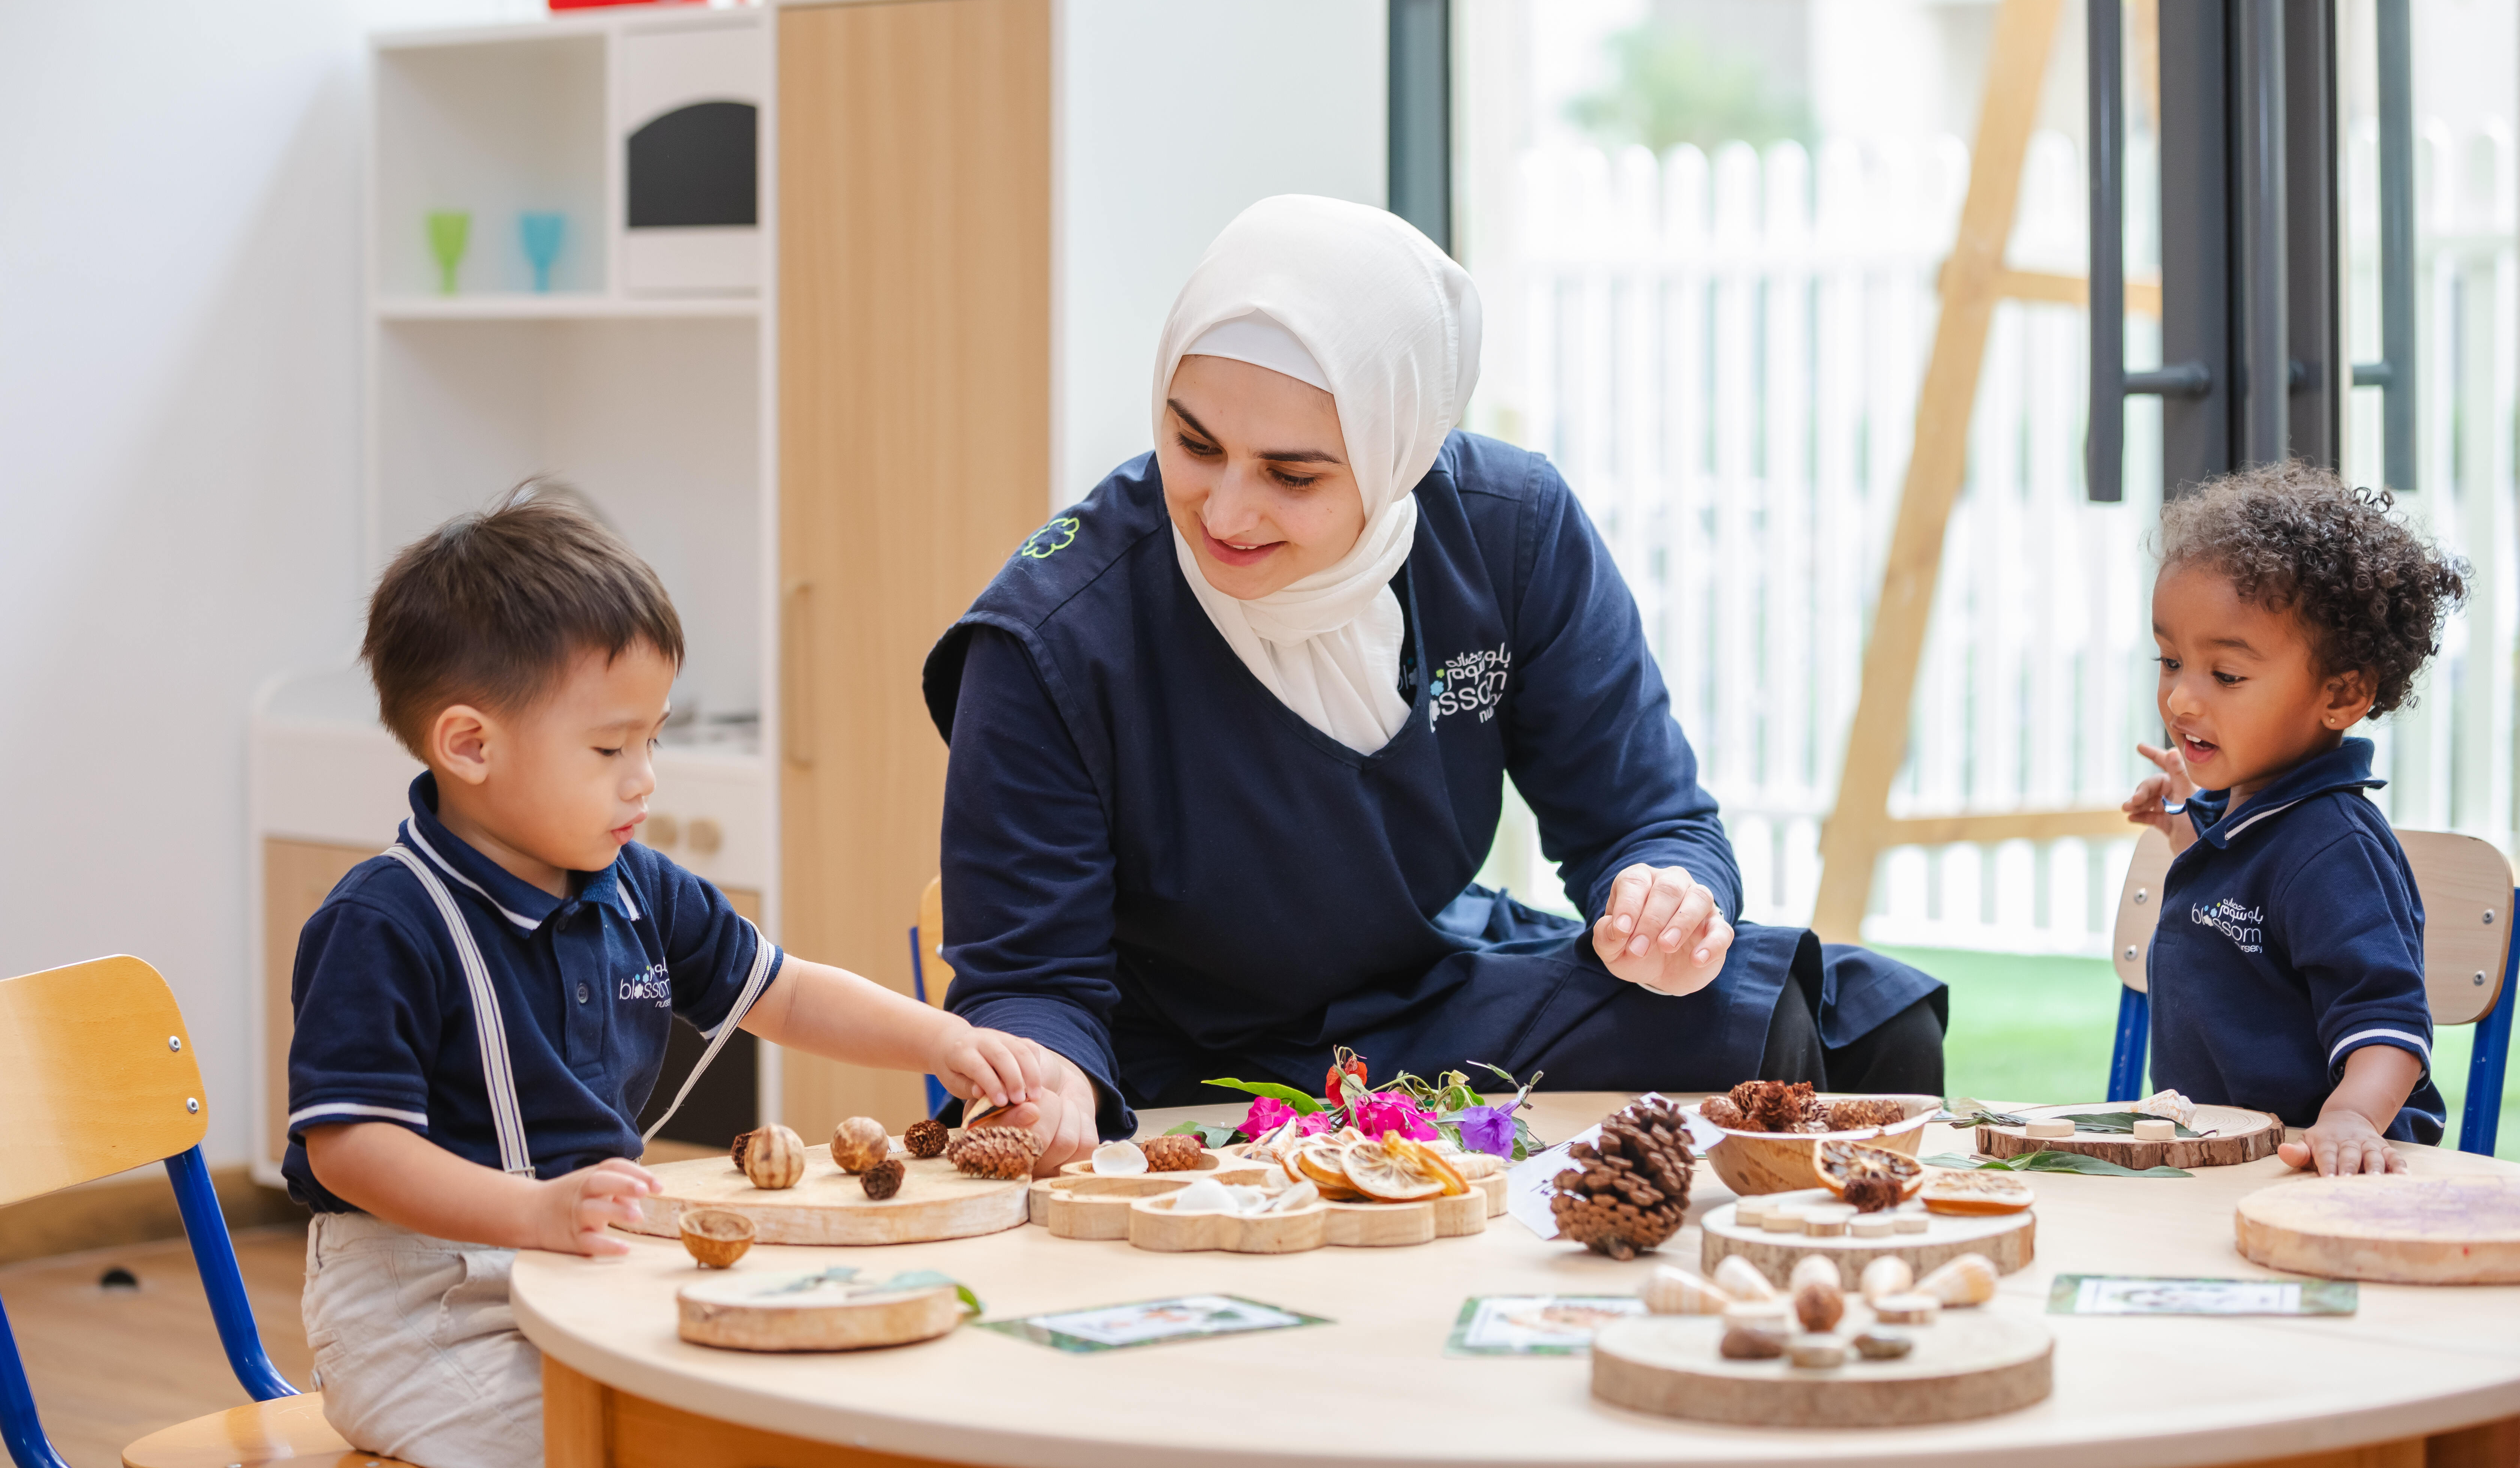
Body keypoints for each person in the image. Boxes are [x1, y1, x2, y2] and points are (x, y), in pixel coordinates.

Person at [923, 195, 1947, 1169]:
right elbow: (1031, 984)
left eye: (1294, 474)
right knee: (1774, 1031)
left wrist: (1665, 899)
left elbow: (1650, 821)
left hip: (1434, 985)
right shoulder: (1047, 639)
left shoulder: (1510, 532)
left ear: (1402, 447)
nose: (1227, 512)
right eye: (1194, 444)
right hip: (1193, 1056)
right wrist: (1040, 1075)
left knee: (1860, 1023)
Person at [286, 488, 1051, 1468]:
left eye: (653, 738)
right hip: (428, 1306)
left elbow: (787, 991)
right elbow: (353, 1148)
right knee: (601, 1448)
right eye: (610, 749)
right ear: (470, 745)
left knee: (760, 1420)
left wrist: (940, 1039)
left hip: (592, 1270)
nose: (645, 776)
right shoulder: (382, 922)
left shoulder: (638, 887)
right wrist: (531, 1214)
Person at [2122, 462, 2469, 1175]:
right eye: (2170, 660)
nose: (2182, 700)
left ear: (2340, 696)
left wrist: (2348, 1119)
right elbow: (2236, 910)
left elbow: (2391, 1027)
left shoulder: (2331, 848)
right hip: (2217, 1165)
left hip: (2321, 1171)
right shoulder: (2251, 817)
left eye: (2226, 676)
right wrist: (2186, 825)